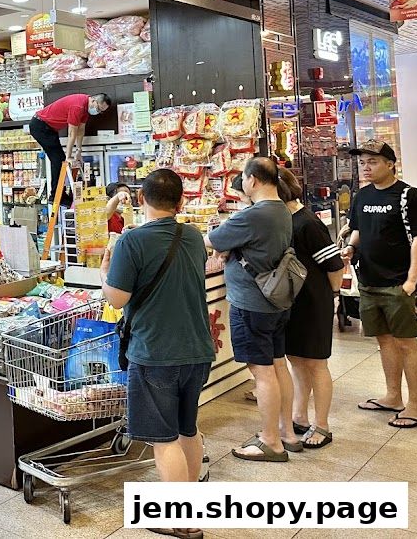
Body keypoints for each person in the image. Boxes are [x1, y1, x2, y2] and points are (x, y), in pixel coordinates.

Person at [103, 168, 213, 539]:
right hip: (197, 348)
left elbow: (117, 299)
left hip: (154, 352)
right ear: (180, 201)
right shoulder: (195, 236)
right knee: (187, 429)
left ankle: (180, 520)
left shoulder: (131, 242)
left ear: (141, 199)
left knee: (163, 439)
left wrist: (105, 271)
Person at [207, 157, 297, 461]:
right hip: (275, 302)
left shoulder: (255, 214)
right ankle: (287, 432)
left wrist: (225, 245)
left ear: (252, 180)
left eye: (243, 178)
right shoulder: (281, 209)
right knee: (277, 364)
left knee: (262, 373)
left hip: (252, 304)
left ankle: (271, 441)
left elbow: (215, 239)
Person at [342, 140, 417, 429]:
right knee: (384, 340)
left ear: (390, 164)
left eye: (372, 162)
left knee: (407, 344)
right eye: (362, 162)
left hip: (398, 283)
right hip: (369, 280)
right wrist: (351, 248)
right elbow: (359, 229)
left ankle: (416, 404)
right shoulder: (362, 195)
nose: (366, 167)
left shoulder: (408, 195)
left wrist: (411, 280)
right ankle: (393, 396)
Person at [278, 167, 345, 449]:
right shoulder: (283, 222)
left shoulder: (307, 223)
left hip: (314, 302)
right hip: (293, 302)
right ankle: (300, 415)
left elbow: (334, 266)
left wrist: (331, 295)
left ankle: (323, 426)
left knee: (316, 364)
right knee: (297, 360)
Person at [29, 92, 111, 206]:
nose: (98, 112)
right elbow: (72, 133)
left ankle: (59, 194)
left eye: (101, 111)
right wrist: (68, 157)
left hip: (49, 128)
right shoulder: (78, 106)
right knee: (59, 160)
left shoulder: (85, 110)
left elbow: (80, 130)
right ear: (93, 100)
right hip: (40, 125)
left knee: (58, 159)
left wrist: (78, 151)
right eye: (98, 108)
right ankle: (55, 195)